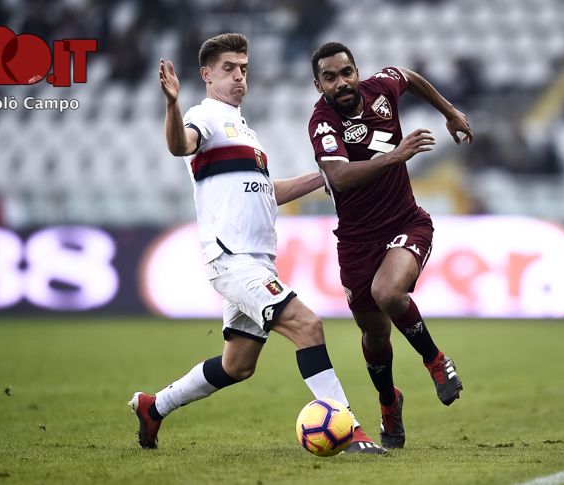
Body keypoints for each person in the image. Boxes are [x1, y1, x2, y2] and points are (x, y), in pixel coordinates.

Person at [129, 33, 386, 454]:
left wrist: (324, 176)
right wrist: (172, 104)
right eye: (229, 68)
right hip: (232, 259)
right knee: (307, 325)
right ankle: (351, 430)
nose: (239, 77)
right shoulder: (204, 116)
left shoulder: (245, 131)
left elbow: (267, 191)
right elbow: (179, 145)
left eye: (244, 69)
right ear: (207, 74)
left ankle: (154, 407)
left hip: (257, 262)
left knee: (238, 365)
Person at [308, 42, 473, 449]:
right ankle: (389, 403)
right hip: (356, 242)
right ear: (319, 85)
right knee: (375, 333)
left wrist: (450, 112)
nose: (341, 83)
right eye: (330, 78)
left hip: (406, 223)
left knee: (388, 292)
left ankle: (436, 362)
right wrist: (396, 155)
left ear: (356, 71)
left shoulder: (381, 88)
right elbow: (339, 176)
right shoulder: (322, 121)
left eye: (346, 72)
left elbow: (408, 77)